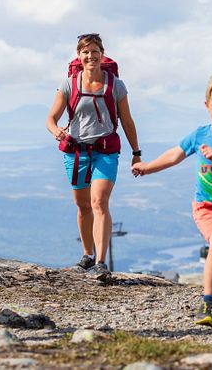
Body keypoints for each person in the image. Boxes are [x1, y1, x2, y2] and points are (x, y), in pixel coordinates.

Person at [132, 71, 212, 332]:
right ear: (206, 106)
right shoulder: (199, 135)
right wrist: (147, 167)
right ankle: (209, 302)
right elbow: (175, 155)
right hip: (207, 206)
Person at [46, 34, 141, 281]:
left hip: (106, 150)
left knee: (99, 202)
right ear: (79, 55)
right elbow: (50, 118)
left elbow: (127, 121)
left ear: (102, 53)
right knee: (83, 206)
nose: (90, 56)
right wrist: (57, 131)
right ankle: (87, 255)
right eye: (85, 52)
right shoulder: (68, 85)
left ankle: (100, 262)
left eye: (95, 51)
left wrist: (136, 152)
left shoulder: (116, 85)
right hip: (76, 152)